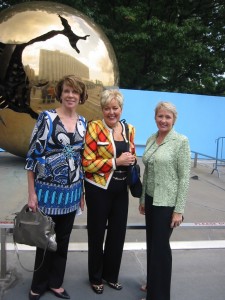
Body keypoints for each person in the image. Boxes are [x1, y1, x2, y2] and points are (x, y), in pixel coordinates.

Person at [25, 75, 88, 300]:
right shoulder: (47, 118)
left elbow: (80, 161)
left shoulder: (83, 123)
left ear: (81, 96)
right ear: (60, 94)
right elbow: (32, 157)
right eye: (67, 91)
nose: (71, 95)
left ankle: (55, 282)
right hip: (46, 194)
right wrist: (32, 193)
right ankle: (38, 284)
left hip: (71, 195)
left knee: (63, 240)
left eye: (75, 92)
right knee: (45, 241)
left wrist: (81, 192)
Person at [82, 89, 136, 295]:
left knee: (117, 234)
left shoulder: (129, 129)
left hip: (121, 190)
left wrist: (130, 159)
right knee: (96, 234)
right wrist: (115, 162)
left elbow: (130, 153)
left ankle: (111, 276)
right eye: (107, 108)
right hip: (98, 189)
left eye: (115, 108)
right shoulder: (94, 128)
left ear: (121, 109)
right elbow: (86, 163)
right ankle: (95, 277)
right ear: (102, 109)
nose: (111, 112)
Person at [139, 101, 191, 300]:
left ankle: (158, 296)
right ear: (155, 118)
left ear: (174, 120)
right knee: (152, 244)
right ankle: (153, 283)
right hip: (151, 200)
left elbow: (184, 177)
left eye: (167, 117)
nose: (163, 120)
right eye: (160, 116)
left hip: (167, 203)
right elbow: (148, 171)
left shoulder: (181, 141)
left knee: (160, 248)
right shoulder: (153, 138)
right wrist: (143, 199)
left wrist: (179, 210)